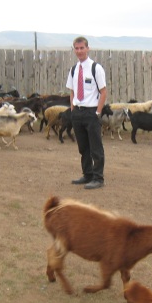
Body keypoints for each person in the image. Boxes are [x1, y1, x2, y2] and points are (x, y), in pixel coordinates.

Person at [66, 36, 107, 190]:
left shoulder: (96, 68)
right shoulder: (74, 69)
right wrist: (73, 109)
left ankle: (98, 178)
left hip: (91, 112)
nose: (79, 51)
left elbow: (103, 92)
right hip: (78, 112)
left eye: (82, 48)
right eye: (76, 48)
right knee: (83, 147)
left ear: (87, 48)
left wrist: (97, 112)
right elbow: (72, 91)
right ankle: (87, 174)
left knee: (96, 147)